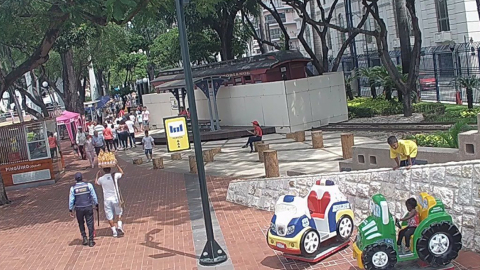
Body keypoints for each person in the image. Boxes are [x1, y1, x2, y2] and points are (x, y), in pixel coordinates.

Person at [69, 172, 99, 247]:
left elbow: (71, 200)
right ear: (82, 178)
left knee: (81, 223)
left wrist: (70, 209)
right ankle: (91, 240)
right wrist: (96, 204)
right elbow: (93, 196)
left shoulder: (73, 188)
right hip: (88, 206)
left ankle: (84, 238)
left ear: (75, 179)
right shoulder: (88, 185)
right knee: (90, 223)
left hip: (79, 208)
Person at [95, 165, 125, 238]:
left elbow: (96, 182)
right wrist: (117, 165)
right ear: (110, 169)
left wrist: (97, 175)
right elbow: (122, 173)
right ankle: (120, 227)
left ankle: (114, 231)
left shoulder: (101, 179)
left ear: (104, 170)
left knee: (109, 216)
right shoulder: (115, 175)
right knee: (119, 213)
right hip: (116, 198)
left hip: (107, 200)